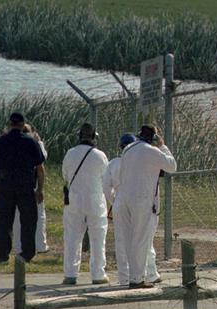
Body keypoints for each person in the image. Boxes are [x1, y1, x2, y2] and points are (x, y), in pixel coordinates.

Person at [113, 125, 175, 289]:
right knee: (141, 240)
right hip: (141, 200)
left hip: (123, 197)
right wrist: (163, 146)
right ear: (153, 138)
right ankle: (137, 279)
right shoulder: (152, 151)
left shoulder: (128, 149)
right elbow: (172, 166)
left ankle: (131, 276)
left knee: (128, 240)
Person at [105, 134, 160, 287]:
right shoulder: (141, 162)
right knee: (144, 240)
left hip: (120, 204)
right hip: (140, 203)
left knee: (123, 242)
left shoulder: (114, 163)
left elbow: (106, 186)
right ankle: (149, 273)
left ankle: (124, 277)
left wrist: (114, 201)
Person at [60, 123, 109, 285]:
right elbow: (106, 179)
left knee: (72, 237)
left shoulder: (70, 153)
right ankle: (98, 274)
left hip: (74, 199)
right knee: (98, 238)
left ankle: (71, 274)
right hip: (95, 200)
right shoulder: (100, 155)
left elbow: (65, 176)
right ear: (94, 137)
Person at [0, 111, 46, 262]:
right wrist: (40, 189)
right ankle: (27, 253)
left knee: (4, 221)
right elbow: (40, 168)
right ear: (23, 125)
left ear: (10, 125)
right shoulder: (31, 142)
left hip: (6, 185)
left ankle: (3, 254)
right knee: (28, 220)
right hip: (25, 185)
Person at [12, 124, 50, 255]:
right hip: (32, 184)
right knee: (39, 215)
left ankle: (18, 246)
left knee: (18, 217)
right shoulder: (34, 144)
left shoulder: (13, 143)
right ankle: (40, 244)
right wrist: (39, 141)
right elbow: (43, 159)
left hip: (16, 184)